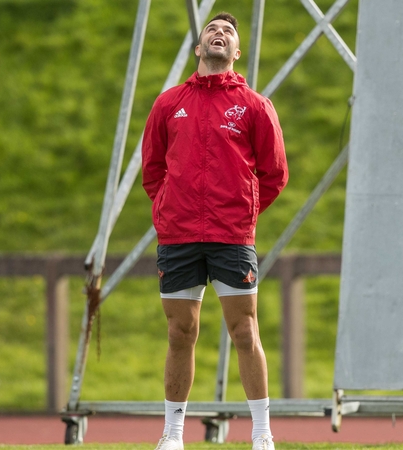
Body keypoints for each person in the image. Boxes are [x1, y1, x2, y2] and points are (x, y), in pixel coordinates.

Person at [142, 11, 288, 450]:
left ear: (236, 51)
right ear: (198, 47)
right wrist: (170, 208)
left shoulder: (255, 105)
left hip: (231, 236)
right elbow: (152, 170)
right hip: (178, 236)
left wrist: (241, 210)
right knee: (180, 333)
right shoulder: (168, 103)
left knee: (245, 331)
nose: (219, 35)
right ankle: (172, 434)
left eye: (227, 32)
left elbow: (274, 173)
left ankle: (261, 433)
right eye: (212, 30)